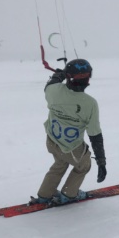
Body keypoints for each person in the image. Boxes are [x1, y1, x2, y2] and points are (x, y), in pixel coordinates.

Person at [31, 59, 107, 205]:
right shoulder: (90, 103)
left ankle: (44, 195)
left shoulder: (53, 90)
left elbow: (51, 83)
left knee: (60, 163)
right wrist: (101, 161)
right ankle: (69, 194)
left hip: (52, 140)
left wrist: (59, 75)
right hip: (71, 147)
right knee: (83, 165)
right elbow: (95, 135)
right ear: (88, 79)